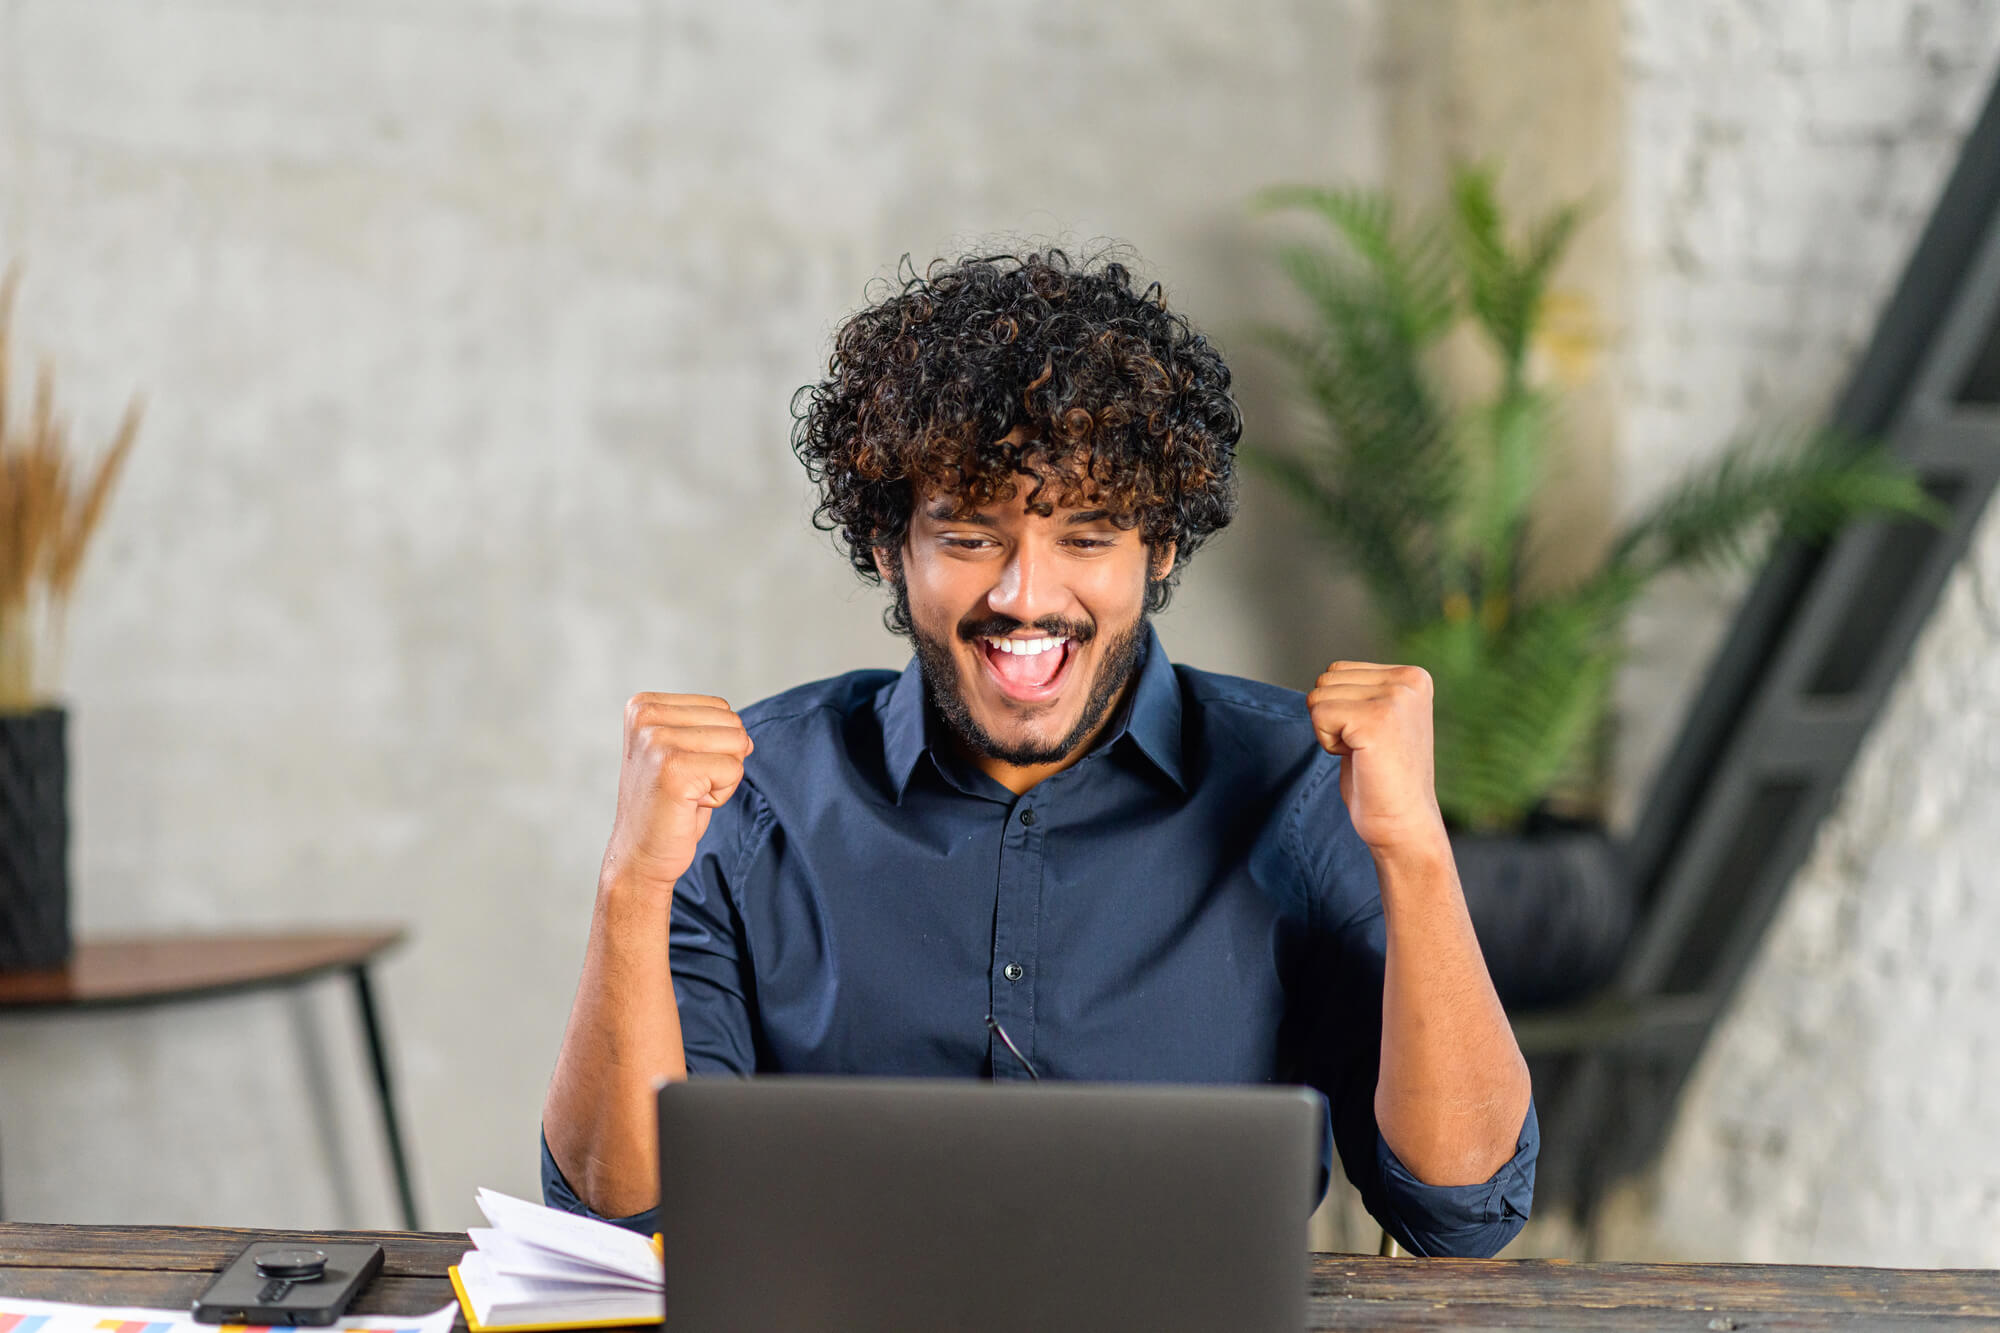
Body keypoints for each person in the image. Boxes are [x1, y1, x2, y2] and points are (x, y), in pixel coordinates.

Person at [541, 249, 1537, 1257]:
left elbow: (1461, 1211)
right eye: (970, 536)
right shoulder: (750, 797)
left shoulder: (1300, 781)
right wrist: (631, 883)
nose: (1025, 594)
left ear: (1161, 550)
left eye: (1087, 537)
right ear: (890, 549)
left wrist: (1414, 851)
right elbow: (616, 1218)